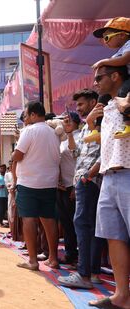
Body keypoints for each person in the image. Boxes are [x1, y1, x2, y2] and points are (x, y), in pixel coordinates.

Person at [86, 67, 130, 309]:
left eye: (99, 77)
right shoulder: (107, 108)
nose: (95, 82)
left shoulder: (126, 101)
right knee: (114, 237)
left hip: (129, 171)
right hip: (109, 176)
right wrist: (92, 121)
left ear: (116, 76)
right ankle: (122, 296)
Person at [58, 89, 105, 289]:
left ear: (93, 102)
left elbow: (107, 151)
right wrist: (69, 133)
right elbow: (77, 153)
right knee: (90, 227)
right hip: (85, 181)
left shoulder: (105, 122)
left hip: (91, 181)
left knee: (84, 226)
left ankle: (84, 274)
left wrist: (89, 175)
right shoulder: (86, 127)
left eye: (81, 105)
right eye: (77, 106)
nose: (79, 109)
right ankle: (92, 273)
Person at [12, 101, 61, 271]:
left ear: (33, 115)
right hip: (49, 182)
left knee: (29, 219)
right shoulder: (54, 132)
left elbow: (17, 155)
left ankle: (32, 261)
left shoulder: (29, 131)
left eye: (26, 115)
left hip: (30, 182)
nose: (25, 118)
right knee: (49, 220)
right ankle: (53, 259)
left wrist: (14, 150)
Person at [91, 17, 130, 139]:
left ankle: (127, 124)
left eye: (107, 37)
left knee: (123, 91)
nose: (105, 41)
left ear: (122, 35)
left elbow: (125, 60)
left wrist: (103, 62)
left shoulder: (129, 44)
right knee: (101, 99)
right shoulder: (119, 50)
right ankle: (97, 129)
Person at [55, 112, 80, 266]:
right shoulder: (63, 140)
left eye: (68, 121)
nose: (66, 123)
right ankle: (70, 254)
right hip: (63, 187)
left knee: (76, 223)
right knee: (66, 223)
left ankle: (77, 255)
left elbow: (75, 155)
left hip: (74, 186)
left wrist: (75, 187)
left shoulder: (79, 137)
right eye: (64, 121)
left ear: (76, 122)